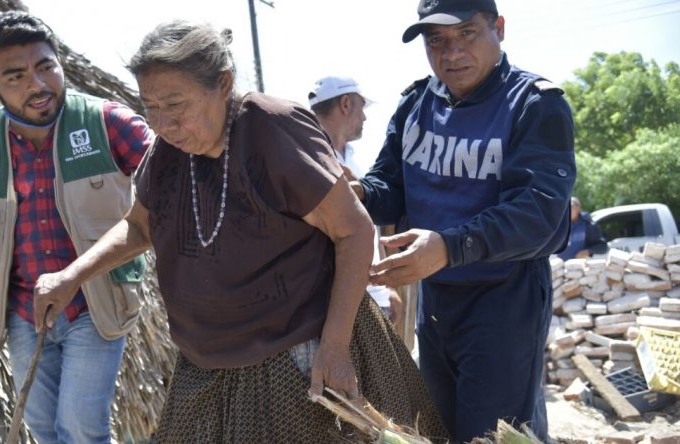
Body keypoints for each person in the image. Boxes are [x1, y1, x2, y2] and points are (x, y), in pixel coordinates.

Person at [33, 20, 449, 443]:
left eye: (176, 104)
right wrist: (73, 276)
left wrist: (336, 347)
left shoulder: (272, 129)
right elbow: (138, 226)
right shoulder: (167, 154)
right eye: (151, 106)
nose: (162, 123)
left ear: (223, 84)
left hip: (296, 359)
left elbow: (355, 231)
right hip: (206, 366)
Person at [352, 0, 576, 441]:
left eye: (466, 35)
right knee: (440, 429)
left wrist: (450, 247)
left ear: (499, 29)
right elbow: (388, 187)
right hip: (437, 302)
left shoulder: (534, 105)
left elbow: (539, 214)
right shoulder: (416, 103)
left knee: (492, 436)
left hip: (505, 301)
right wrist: (356, 193)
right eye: (436, 41)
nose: (450, 54)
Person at [0, 12, 152, 444]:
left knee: (80, 427)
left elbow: (172, 183)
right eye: (16, 76)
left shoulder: (107, 123)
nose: (36, 84)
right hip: (23, 313)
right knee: (42, 429)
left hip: (96, 304)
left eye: (45, 66)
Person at [308, 76, 404, 324]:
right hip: (340, 304)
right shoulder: (309, 160)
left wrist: (385, 288)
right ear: (346, 104)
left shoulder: (352, 161)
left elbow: (366, 227)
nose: (365, 117)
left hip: (371, 297)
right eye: (362, 107)